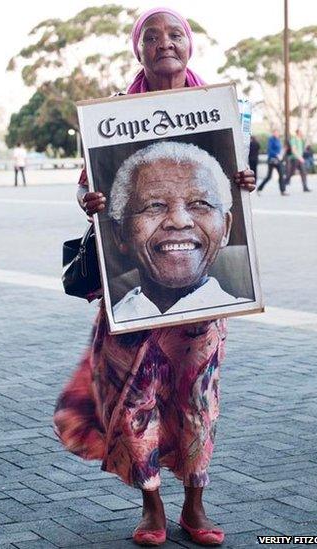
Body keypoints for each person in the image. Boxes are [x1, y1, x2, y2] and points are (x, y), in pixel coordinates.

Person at [53, 8, 255, 547]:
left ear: (189, 46)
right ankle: (152, 506)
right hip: (132, 301)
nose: (164, 43)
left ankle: (195, 502)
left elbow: (240, 177)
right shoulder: (113, 115)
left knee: (197, 398)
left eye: (174, 35)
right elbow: (83, 186)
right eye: (151, 36)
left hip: (200, 312)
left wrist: (246, 178)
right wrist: (88, 199)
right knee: (136, 395)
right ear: (137, 49)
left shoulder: (220, 109)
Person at [110, 141, 248, 322]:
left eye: (200, 204)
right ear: (120, 234)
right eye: (155, 205)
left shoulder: (244, 322)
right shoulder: (112, 319)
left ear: (226, 228)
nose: (179, 221)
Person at [257, 130, 287, 195]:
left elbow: (280, 149)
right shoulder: (271, 140)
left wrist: (281, 154)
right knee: (269, 176)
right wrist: (276, 154)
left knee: (281, 175)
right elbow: (269, 150)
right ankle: (259, 188)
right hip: (272, 160)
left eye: (277, 133)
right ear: (273, 133)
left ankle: (283, 191)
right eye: (275, 133)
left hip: (278, 160)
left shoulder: (278, 140)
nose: (276, 134)